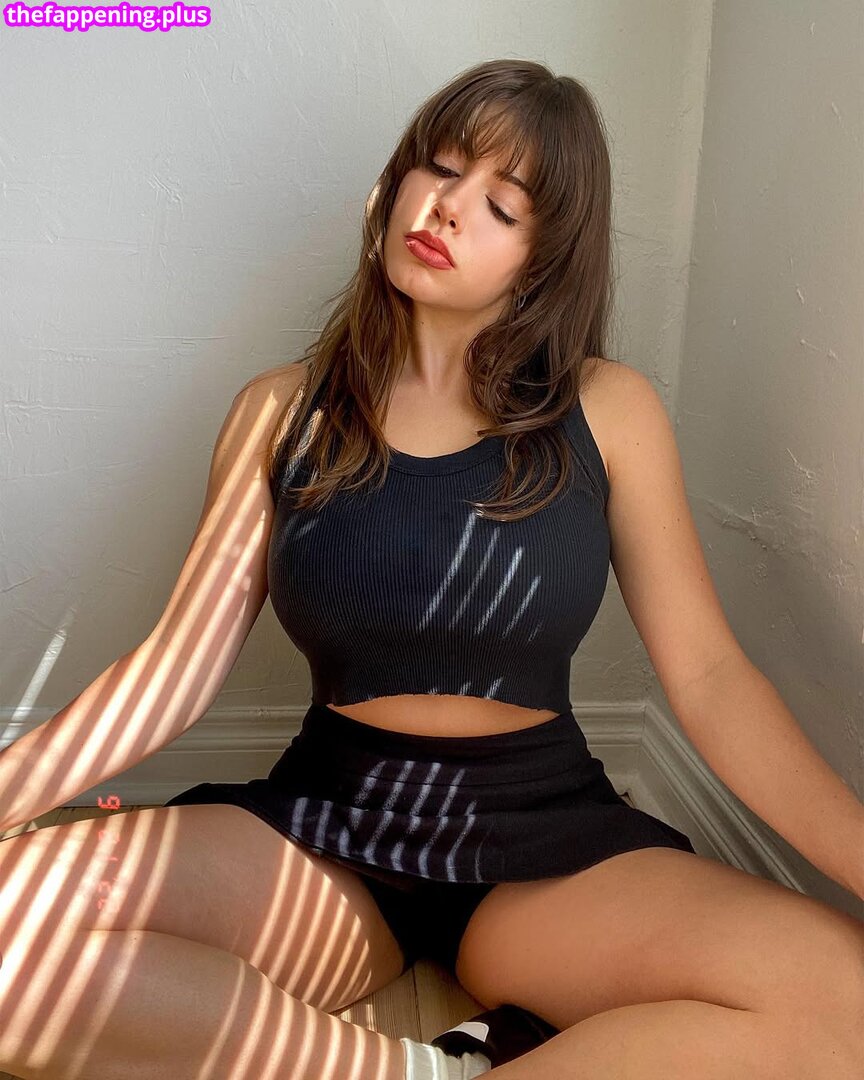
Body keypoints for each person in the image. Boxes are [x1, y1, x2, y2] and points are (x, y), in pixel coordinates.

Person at [1, 58, 862, 1080]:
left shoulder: (610, 410)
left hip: (543, 845)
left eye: (502, 205)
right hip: (328, 835)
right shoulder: (281, 412)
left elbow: (712, 679)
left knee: (844, 1001)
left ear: (543, 258)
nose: (449, 207)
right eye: (442, 168)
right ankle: (423, 1072)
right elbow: (174, 668)